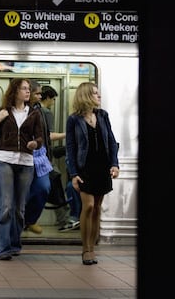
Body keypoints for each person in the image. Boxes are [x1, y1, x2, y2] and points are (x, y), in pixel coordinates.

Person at [0, 78, 43, 260]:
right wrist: (0, 119)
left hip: (26, 162)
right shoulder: (3, 111)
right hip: (5, 161)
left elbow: (41, 138)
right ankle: (2, 249)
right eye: (24, 89)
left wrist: (35, 143)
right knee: (6, 205)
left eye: (29, 89)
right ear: (15, 91)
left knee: (19, 208)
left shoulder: (34, 114)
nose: (28, 92)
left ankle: (14, 244)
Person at [65, 82, 119, 265]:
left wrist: (114, 164)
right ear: (86, 95)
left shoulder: (103, 115)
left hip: (102, 167)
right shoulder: (73, 119)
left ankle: (92, 249)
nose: (99, 96)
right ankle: (85, 249)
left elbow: (111, 141)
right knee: (87, 206)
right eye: (95, 93)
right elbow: (71, 148)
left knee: (96, 208)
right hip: (84, 168)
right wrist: (73, 173)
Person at [40, 85, 80, 232]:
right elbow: (49, 136)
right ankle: (64, 219)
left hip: (38, 156)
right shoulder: (46, 112)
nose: (54, 102)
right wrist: (67, 134)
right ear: (48, 98)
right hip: (44, 158)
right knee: (56, 185)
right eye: (53, 99)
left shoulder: (34, 111)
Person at [24, 82, 51, 235]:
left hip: (40, 157)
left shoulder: (40, 111)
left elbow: (45, 136)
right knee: (23, 194)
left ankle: (30, 219)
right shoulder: (19, 110)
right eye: (37, 94)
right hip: (24, 157)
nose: (40, 97)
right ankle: (21, 222)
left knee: (43, 187)